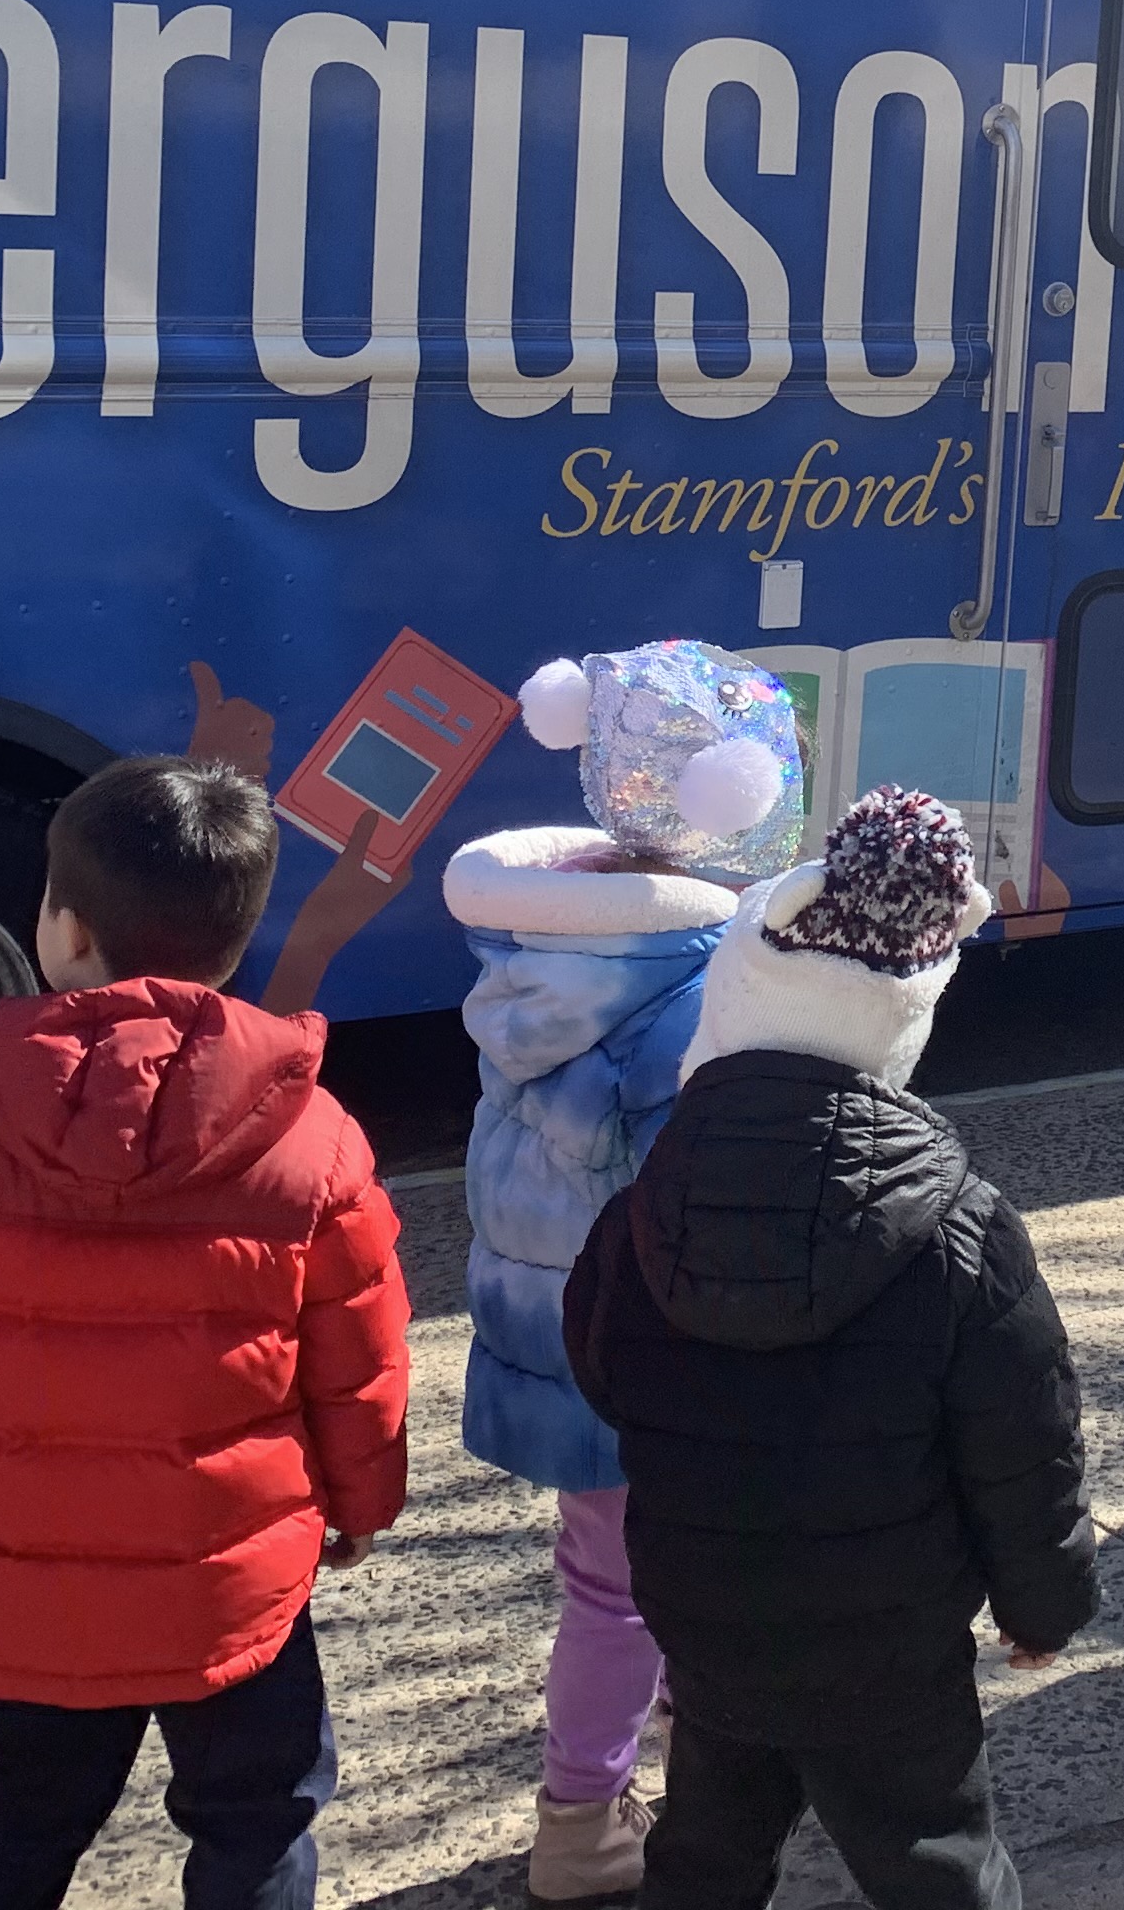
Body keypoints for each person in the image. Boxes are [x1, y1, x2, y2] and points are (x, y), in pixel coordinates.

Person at [0, 757, 412, 1910]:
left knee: (25, 1811)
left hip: (32, 1588)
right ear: (236, 942)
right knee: (259, 1820)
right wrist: (360, 1503)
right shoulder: (316, 1141)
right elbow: (362, 1361)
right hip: (235, 1588)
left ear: (63, 930)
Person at [568, 789, 1096, 1910]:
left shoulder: (644, 1210)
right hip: (889, 1648)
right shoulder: (963, 1228)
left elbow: (605, 1377)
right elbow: (1025, 1445)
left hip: (705, 1619)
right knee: (938, 1858)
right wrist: (1043, 1606)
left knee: (705, 1849)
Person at [450, 642, 797, 1899]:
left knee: (605, 1568)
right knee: (622, 1591)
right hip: (644, 1349)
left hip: (541, 1321)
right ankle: (579, 1824)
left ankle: (641, 1734)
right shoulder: (694, 988)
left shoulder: (541, 952)